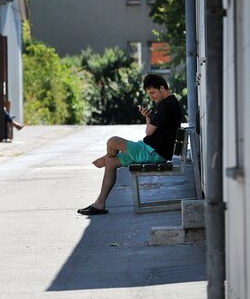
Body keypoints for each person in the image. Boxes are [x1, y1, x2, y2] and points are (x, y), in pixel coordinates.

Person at [77, 74, 183, 215]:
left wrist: (148, 119)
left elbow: (149, 131)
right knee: (111, 164)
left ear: (162, 88)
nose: (151, 96)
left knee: (112, 141)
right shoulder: (166, 104)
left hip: (153, 153)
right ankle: (99, 204)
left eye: (153, 92)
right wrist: (148, 117)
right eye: (149, 94)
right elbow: (150, 132)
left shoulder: (166, 105)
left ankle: (106, 157)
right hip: (150, 149)